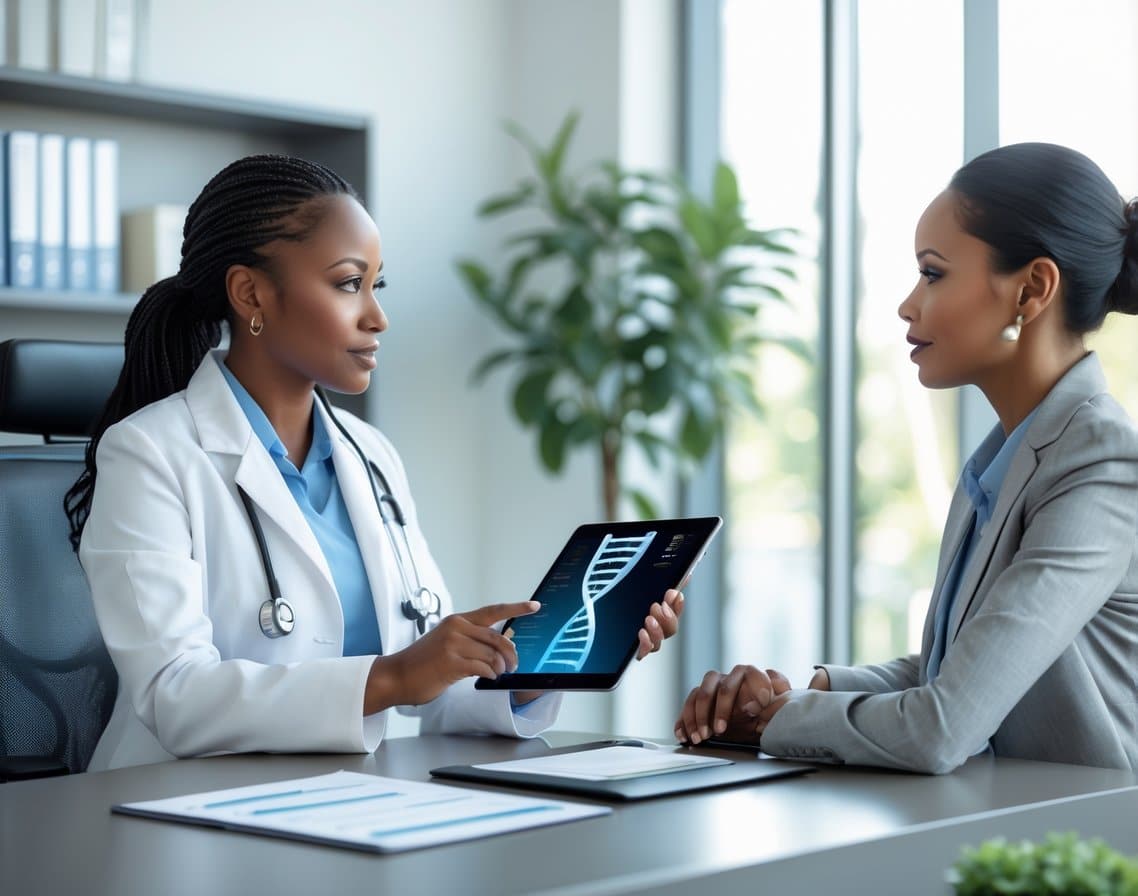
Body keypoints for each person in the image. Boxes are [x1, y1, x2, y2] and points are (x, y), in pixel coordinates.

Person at [67, 154, 684, 771]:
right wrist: (390, 678)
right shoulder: (149, 454)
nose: (377, 316)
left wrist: (538, 667)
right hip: (175, 813)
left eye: (376, 285)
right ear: (250, 292)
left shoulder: (371, 456)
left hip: (341, 803)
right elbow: (176, 695)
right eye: (346, 283)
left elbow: (434, 686)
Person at [675, 143, 1138, 774]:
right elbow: (957, 668)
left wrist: (775, 722)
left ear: (1031, 289)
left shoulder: (1100, 463)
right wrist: (805, 691)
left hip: (1089, 854)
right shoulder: (1004, 460)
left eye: (934, 273)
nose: (908, 304)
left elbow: (943, 726)